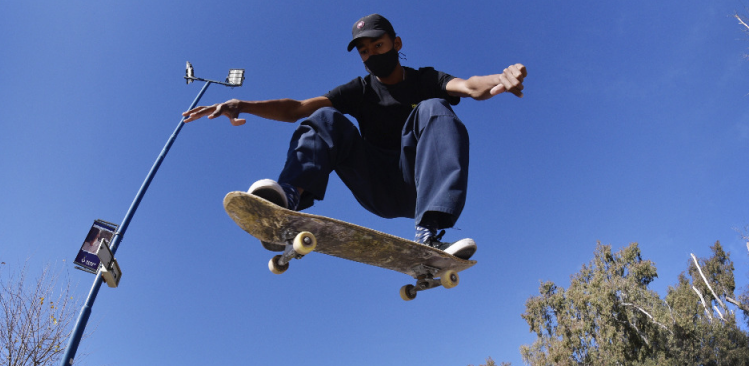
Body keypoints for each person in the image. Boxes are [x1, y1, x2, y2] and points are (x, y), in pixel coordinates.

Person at [182, 14, 526, 260]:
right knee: (326, 116)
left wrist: (502, 77)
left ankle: (431, 230)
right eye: (365, 51)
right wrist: (243, 103)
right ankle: (289, 197)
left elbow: (468, 86)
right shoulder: (359, 90)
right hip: (374, 184)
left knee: (435, 107)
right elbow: (298, 109)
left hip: (418, 186)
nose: (372, 55)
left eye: (379, 45)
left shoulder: (425, 79)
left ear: (396, 44)